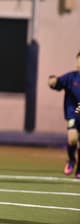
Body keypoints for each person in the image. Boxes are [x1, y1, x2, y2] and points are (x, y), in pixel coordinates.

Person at [48, 51, 80, 179]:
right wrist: (53, 81)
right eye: (78, 59)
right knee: (72, 138)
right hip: (73, 113)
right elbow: (57, 83)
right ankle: (71, 160)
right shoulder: (71, 77)